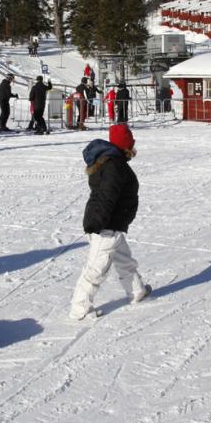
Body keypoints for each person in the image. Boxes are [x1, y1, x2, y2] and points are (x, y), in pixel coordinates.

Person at [69, 124, 150, 320]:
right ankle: (80, 309)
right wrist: (98, 222)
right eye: (131, 143)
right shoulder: (114, 165)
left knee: (124, 260)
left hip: (112, 224)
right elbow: (106, 196)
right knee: (96, 269)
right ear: (125, 144)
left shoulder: (113, 162)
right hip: (105, 226)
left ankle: (137, 290)